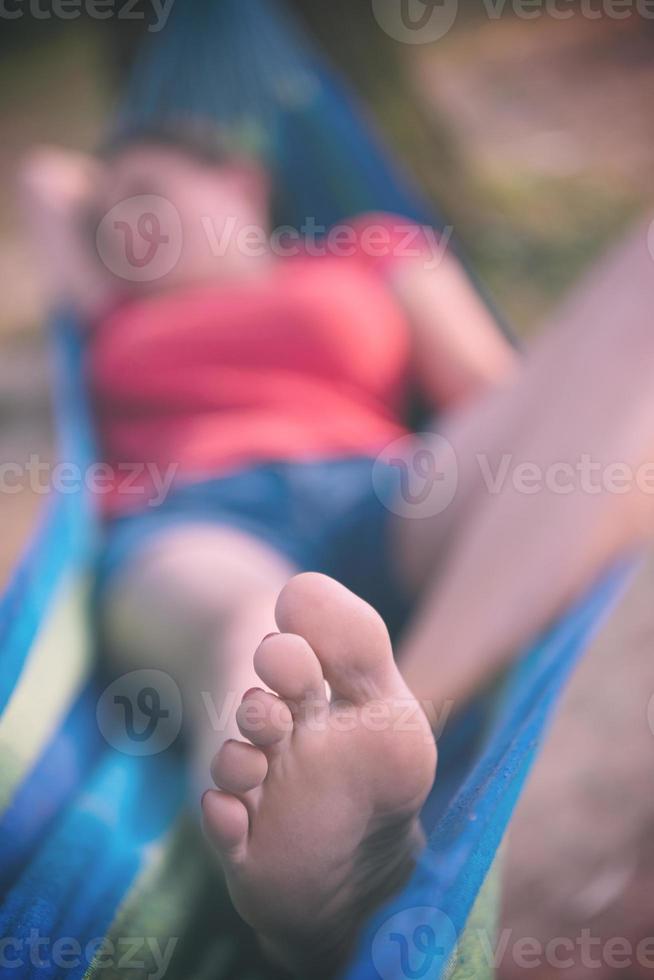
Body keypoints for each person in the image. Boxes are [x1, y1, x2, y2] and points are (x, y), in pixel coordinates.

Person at [20, 124, 654, 977]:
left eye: (148, 195)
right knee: (256, 626)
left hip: (387, 492)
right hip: (195, 516)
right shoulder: (113, 311)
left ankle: (401, 720)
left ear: (242, 182)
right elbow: (44, 176)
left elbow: (495, 391)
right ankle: (304, 867)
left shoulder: (371, 252)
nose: (122, 221)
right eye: (106, 217)